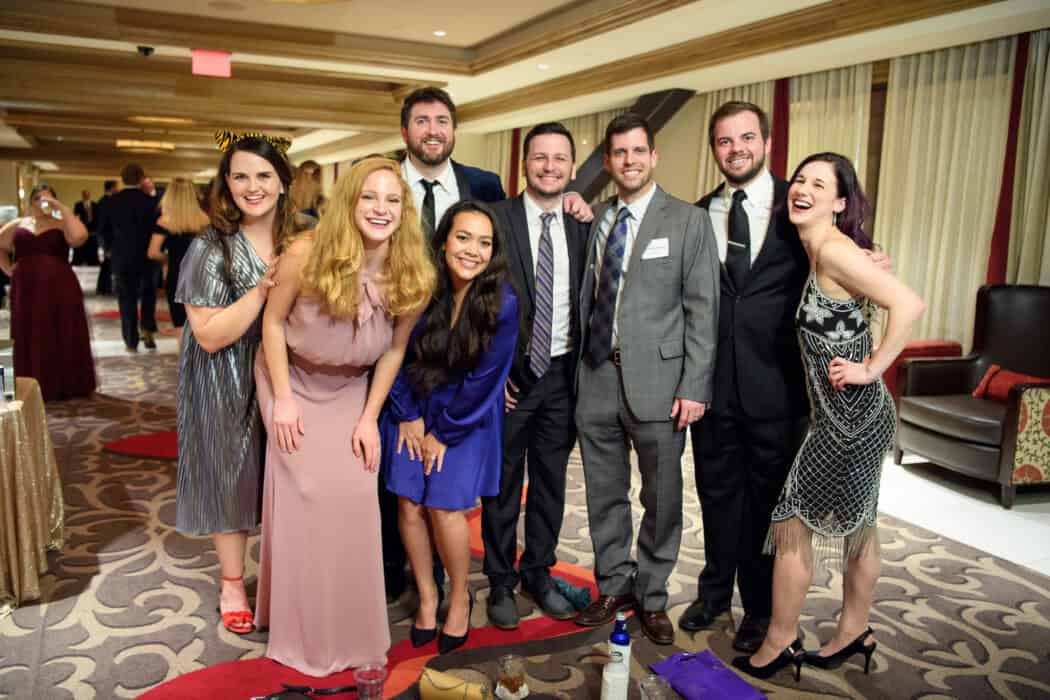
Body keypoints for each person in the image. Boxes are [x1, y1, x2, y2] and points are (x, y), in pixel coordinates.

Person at [681, 102, 892, 653]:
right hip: (712, 388)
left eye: (746, 138)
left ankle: (757, 610)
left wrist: (874, 259)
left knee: (766, 506)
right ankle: (711, 593)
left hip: (779, 388)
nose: (736, 149)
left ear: (767, 142)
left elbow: (844, 257)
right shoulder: (697, 213)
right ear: (714, 150)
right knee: (716, 494)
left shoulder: (798, 207)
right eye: (725, 141)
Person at [732, 152, 924, 681]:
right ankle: (853, 630)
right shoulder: (819, 249)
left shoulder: (836, 251)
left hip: (855, 418)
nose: (803, 188)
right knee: (861, 527)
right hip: (840, 418)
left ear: (839, 202)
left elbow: (909, 305)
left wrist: (871, 368)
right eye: (799, 179)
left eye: (820, 184)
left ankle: (781, 639)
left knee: (791, 523)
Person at [254, 157, 435, 675]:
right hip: (291, 376)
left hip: (353, 388)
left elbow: (395, 352)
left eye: (392, 200)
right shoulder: (305, 254)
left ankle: (353, 632)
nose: (381, 209)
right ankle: (301, 628)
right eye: (369, 197)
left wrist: (367, 418)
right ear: (350, 202)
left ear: (405, 211)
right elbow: (271, 324)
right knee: (308, 490)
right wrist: (283, 399)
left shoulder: (412, 274)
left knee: (357, 493)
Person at [573, 113, 719, 645]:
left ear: (653, 157)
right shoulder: (597, 220)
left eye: (639, 151)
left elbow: (704, 310)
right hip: (595, 379)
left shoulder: (687, 221)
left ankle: (653, 595)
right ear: (608, 162)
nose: (629, 161)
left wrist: (695, 385)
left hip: (661, 383)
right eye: (619, 153)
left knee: (661, 498)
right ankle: (614, 583)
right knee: (603, 493)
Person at [382, 199, 519, 654]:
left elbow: (487, 381)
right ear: (443, 243)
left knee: (443, 506)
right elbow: (393, 353)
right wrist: (408, 416)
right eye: (463, 238)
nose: (472, 251)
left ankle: (459, 596)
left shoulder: (504, 303)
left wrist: (443, 431)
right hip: (411, 407)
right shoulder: (419, 288)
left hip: (466, 416)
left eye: (484, 243)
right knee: (409, 505)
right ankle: (427, 596)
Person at [174, 132, 293, 636]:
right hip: (221, 375)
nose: (253, 186)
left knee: (284, 475)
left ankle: (285, 577)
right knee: (231, 474)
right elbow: (208, 335)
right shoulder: (210, 246)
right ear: (226, 184)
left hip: (286, 373)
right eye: (240, 176)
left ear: (283, 183)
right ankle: (231, 583)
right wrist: (264, 290)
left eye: (264, 175)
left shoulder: (301, 240)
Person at [481, 122, 589, 629]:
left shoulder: (584, 224)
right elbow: (473, 302)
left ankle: (539, 573)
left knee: (550, 484)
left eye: (559, 158)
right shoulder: (495, 220)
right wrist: (489, 374)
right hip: (509, 380)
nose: (550, 166)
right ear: (524, 164)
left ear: (571, 165)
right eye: (539, 157)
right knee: (502, 486)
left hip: (564, 377)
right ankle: (500, 580)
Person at [0, 184, 96, 401]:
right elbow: (0, 246)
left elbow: (80, 237)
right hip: (26, 287)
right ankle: (26, 382)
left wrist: (59, 207)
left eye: (49, 200)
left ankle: (63, 383)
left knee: (59, 327)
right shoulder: (18, 224)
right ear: (31, 201)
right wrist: (8, 268)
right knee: (27, 330)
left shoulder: (62, 224)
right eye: (39, 199)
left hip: (59, 286)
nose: (43, 204)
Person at [95, 163, 160, 351]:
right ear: (141, 179)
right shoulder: (151, 202)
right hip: (147, 256)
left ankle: (130, 339)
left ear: (121, 179)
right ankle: (147, 329)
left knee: (126, 297)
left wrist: (107, 248)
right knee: (148, 294)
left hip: (121, 256)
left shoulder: (110, 201)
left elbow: (103, 229)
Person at [148, 177, 209, 342]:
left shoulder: (164, 221)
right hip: (201, 277)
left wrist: (170, 258)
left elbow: (153, 253)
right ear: (192, 195)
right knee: (201, 326)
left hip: (177, 277)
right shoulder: (204, 220)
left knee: (180, 326)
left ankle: (185, 364)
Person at [95, 180, 119, 296]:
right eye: (117, 187)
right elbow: (104, 224)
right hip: (107, 238)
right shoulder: (107, 202)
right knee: (107, 264)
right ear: (112, 188)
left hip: (105, 237)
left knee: (107, 265)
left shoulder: (102, 201)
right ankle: (104, 288)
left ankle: (104, 288)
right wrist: (107, 245)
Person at [72, 189, 100, 266]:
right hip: (83, 229)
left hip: (93, 231)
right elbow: (76, 217)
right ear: (82, 195)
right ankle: (81, 261)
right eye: (84, 194)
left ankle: (93, 261)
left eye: (87, 194)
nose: (86, 196)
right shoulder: (78, 205)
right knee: (82, 247)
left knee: (92, 247)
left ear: (89, 195)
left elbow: (98, 217)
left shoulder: (95, 205)